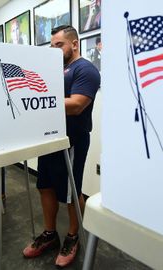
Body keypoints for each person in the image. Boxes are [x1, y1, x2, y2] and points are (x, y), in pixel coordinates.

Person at [22, 25, 100, 268]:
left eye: (59, 45)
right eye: (52, 46)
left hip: (73, 140)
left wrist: (37, 99)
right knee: (45, 186)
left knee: (71, 192)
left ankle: (73, 236)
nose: (55, 50)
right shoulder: (53, 70)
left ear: (74, 44)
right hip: (49, 138)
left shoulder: (85, 69)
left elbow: (77, 105)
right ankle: (49, 234)